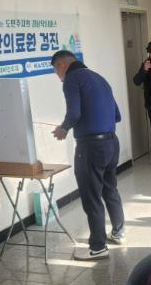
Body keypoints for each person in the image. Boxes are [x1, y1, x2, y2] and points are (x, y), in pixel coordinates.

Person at [50, 50, 125, 260]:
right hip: (112, 143)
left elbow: (74, 113)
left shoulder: (72, 79)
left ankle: (98, 247)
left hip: (91, 147)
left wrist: (63, 128)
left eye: (56, 71)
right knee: (110, 189)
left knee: (91, 197)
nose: (58, 76)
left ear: (62, 65)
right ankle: (119, 232)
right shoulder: (99, 78)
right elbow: (117, 115)